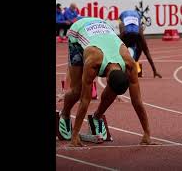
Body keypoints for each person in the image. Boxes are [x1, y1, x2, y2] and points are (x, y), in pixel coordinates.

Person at [58, 17, 158, 147]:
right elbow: (85, 100)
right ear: (107, 80)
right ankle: (65, 114)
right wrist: (75, 135)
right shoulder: (94, 61)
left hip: (102, 27)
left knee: (113, 90)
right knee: (77, 90)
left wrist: (147, 134)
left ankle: (97, 116)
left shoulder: (130, 64)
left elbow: (137, 101)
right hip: (78, 32)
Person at [119, 10, 162, 78]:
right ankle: (132, 64)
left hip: (127, 31)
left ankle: (132, 64)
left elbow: (146, 50)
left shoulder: (138, 31)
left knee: (124, 48)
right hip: (126, 27)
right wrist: (154, 70)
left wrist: (154, 71)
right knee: (139, 48)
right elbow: (146, 51)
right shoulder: (136, 30)